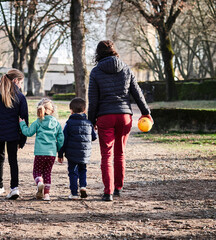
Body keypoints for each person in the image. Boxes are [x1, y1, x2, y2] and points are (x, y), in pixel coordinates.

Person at [88, 40, 153, 201]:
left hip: (105, 117)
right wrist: (146, 113)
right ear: (114, 51)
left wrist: (91, 121)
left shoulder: (96, 72)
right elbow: (137, 93)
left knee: (106, 155)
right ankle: (118, 187)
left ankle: (108, 192)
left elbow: (93, 100)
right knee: (120, 153)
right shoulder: (125, 68)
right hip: (125, 116)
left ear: (98, 53)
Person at [0, 69, 29, 200]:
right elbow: (24, 119)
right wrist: (22, 140)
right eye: (21, 82)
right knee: (13, 160)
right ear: (15, 81)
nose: (21, 86)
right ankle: (14, 187)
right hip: (13, 134)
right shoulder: (20, 97)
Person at [19, 98, 64, 201]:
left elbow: (28, 132)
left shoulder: (38, 122)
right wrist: (57, 149)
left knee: (37, 172)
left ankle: (39, 182)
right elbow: (61, 138)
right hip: (51, 154)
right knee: (47, 173)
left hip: (40, 153)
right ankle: (47, 195)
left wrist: (22, 123)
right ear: (52, 111)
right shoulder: (56, 123)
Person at [58, 97, 97, 200]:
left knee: (73, 171)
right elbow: (94, 137)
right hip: (84, 153)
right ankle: (83, 186)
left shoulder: (69, 124)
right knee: (83, 169)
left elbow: (63, 139)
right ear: (84, 110)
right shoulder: (89, 123)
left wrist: (60, 153)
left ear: (71, 110)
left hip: (72, 153)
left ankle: (74, 193)